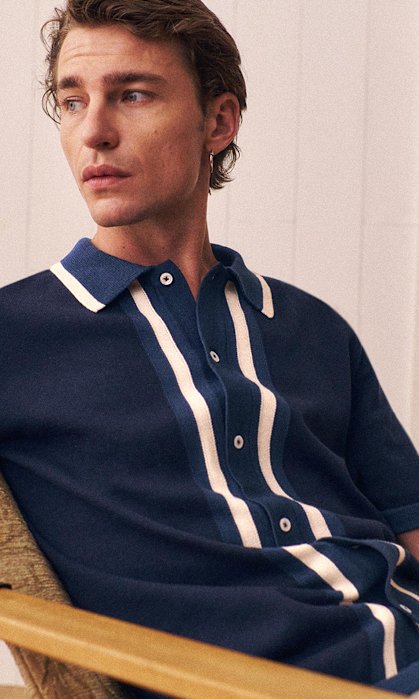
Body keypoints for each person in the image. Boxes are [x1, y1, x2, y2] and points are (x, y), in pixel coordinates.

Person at [1, 0, 418, 696]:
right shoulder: (15, 335)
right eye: (72, 102)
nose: (94, 132)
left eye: (132, 95)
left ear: (218, 123)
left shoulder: (311, 327)